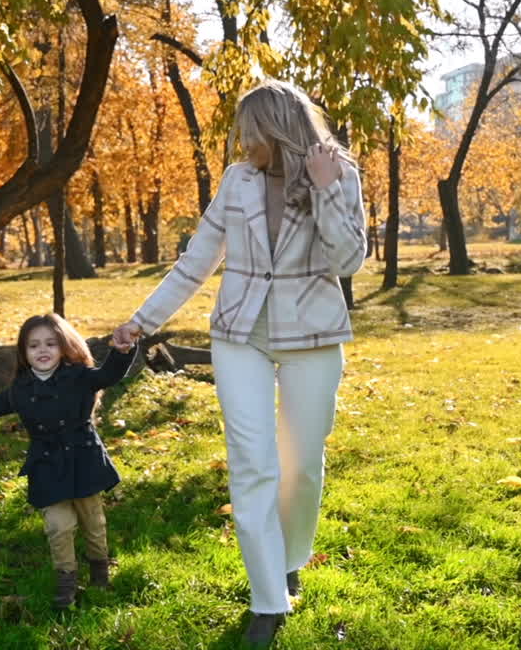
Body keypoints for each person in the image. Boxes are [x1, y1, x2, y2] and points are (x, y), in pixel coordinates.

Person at [112, 80, 366, 645]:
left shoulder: (339, 173)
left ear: (278, 128)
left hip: (315, 336)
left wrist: (325, 191)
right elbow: (195, 262)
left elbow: (349, 261)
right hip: (239, 336)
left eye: (250, 134)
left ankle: (292, 556)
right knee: (252, 465)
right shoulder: (237, 181)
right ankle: (267, 601)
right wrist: (142, 321)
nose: (242, 144)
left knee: (300, 466)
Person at [0, 313, 136, 608]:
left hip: (83, 458)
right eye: (33, 346)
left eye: (50, 344)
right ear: (24, 352)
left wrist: (122, 352)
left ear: (64, 346)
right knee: (58, 525)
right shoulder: (22, 388)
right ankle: (66, 579)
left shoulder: (80, 376)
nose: (42, 351)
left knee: (92, 522)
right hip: (46, 465)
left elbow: (109, 376)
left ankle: (99, 569)